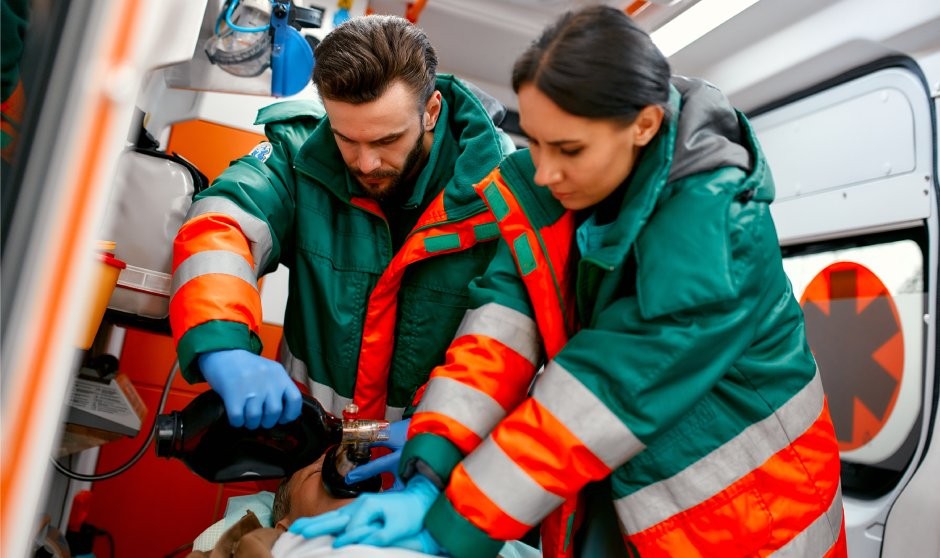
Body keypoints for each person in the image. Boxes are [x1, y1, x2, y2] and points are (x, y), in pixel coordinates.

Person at [288, 5, 846, 558]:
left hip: (743, 522)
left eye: (569, 150)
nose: (545, 172)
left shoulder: (719, 231)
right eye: (536, 141)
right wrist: (430, 468)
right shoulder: (554, 194)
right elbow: (494, 340)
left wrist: (451, 520)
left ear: (644, 126)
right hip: (614, 497)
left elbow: (601, 391)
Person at [169, 14, 514, 484]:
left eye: (387, 140)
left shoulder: (507, 197)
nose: (366, 163)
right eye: (346, 139)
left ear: (430, 111)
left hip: (436, 473)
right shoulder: (299, 153)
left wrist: (447, 429)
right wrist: (223, 342)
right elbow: (222, 224)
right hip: (308, 462)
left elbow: (510, 338)